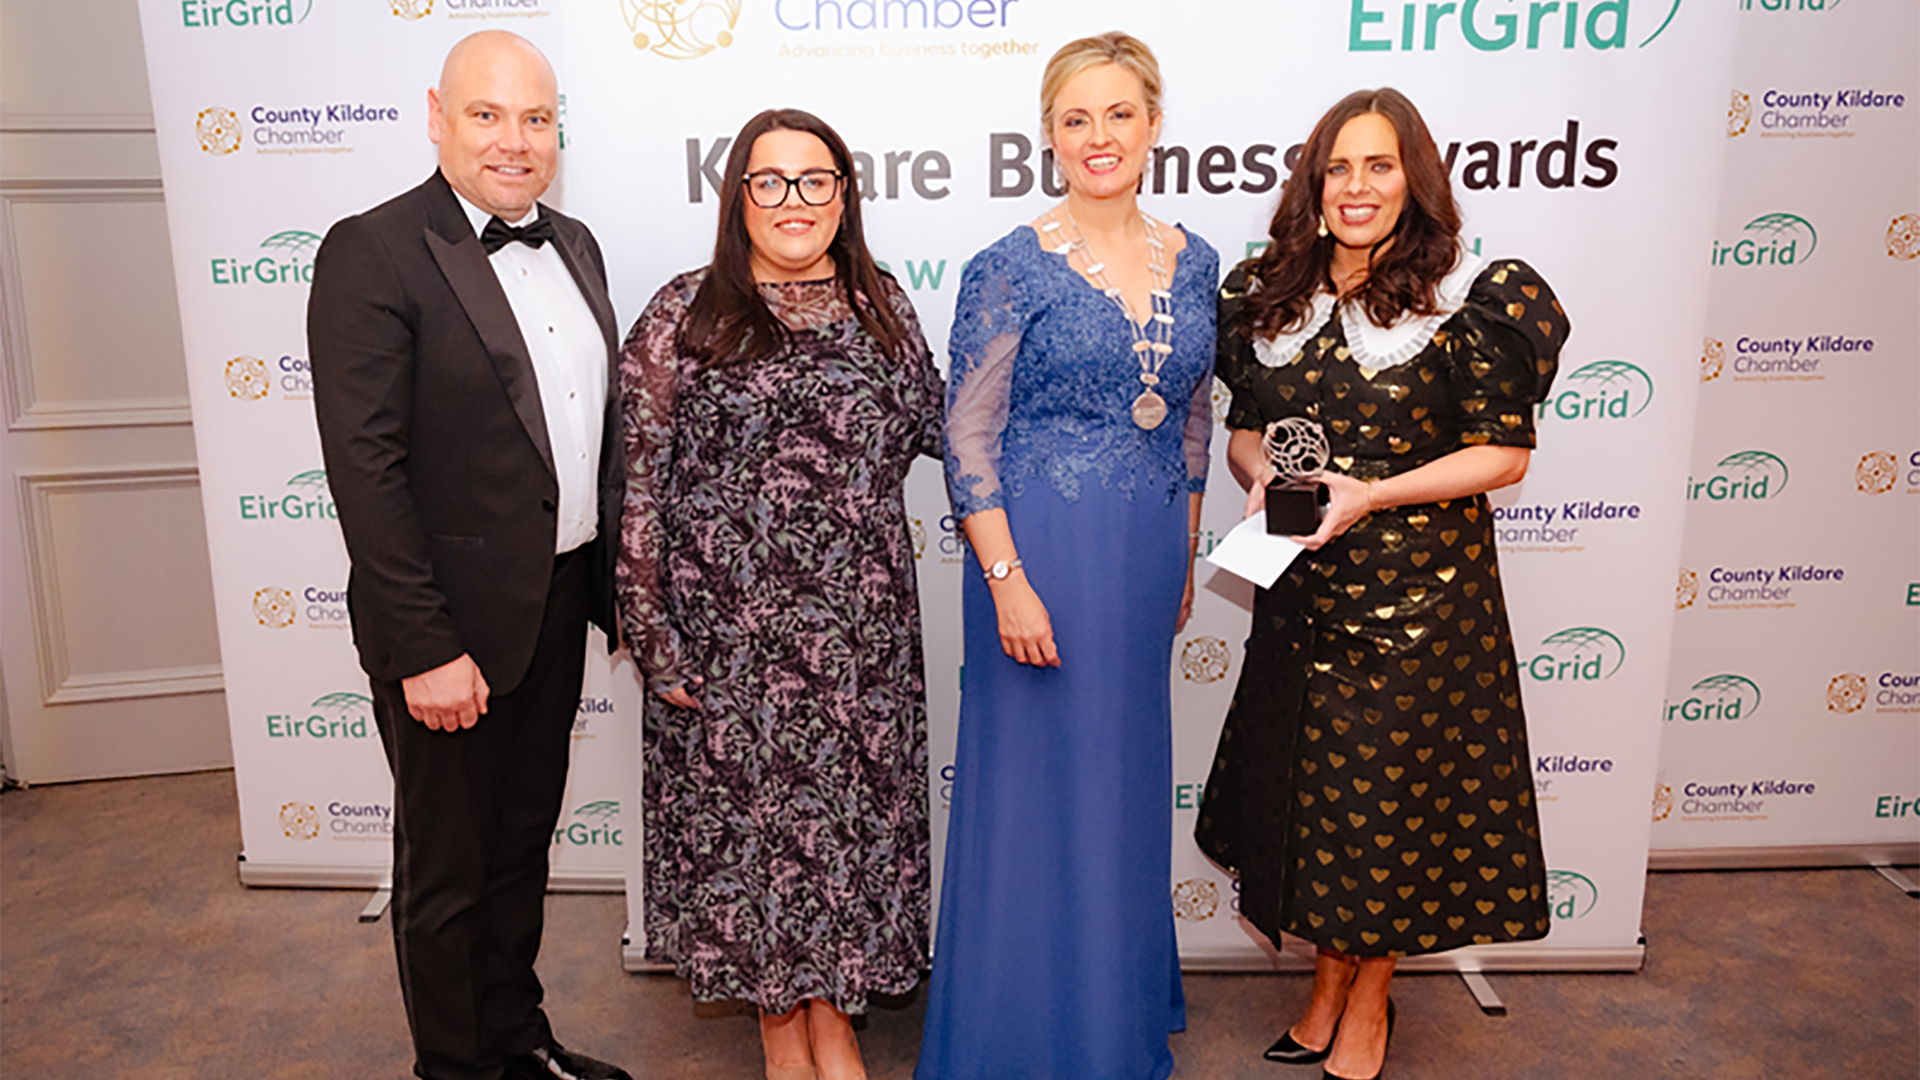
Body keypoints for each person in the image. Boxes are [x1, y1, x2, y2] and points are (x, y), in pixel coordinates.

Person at [1195, 88, 1567, 1080]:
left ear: (1415, 180)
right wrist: (1261, 476)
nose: (1357, 188)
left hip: (1421, 607)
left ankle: (1370, 998)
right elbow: (1245, 431)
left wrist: (1372, 495)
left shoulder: (1471, 294)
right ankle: (1323, 986)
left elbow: (1503, 456)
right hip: (1300, 599)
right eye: (1339, 168)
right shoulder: (1267, 293)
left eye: (1379, 166)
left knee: (1388, 818)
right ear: (1316, 185)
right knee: (1312, 809)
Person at [307, 30, 630, 1080]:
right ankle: (455, 1067)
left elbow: (588, 436)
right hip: (448, 627)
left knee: (520, 850)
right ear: (438, 114)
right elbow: (367, 471)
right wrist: (423, 646)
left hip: (556, 600)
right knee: (445, 876)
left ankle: (517, 1041)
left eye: (536, 119)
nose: (514, 140)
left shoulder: (575, 243)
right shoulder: (375, 249)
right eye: (489, 115)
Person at [616, 108, 943, 1080]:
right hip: (731, 647)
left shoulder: (881, 302)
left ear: (845, 196)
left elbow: (941, 426)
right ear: (739, 198)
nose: (794, 201)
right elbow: (638, 486)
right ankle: (780, 1028)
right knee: (756, 852)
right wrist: (652, 635)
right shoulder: (684, 311)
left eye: (816, 181)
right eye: (771, 181)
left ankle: (833, 1018)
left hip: (859, 645)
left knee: (845, 843)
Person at [916, 32, 1217, 1080]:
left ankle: (1115, 1006)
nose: (1100, 137)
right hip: (1035, 557)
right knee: (1038, 788)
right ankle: (1020, 1030)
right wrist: (1006, 581)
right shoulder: (1009, 265)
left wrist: (1182, 561)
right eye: (1077, 119)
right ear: (1049, 135)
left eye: (1119, 114)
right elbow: (967, 436)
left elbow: (1189, 428)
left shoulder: (1199, 261)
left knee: (1124, 782)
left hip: (1141, 565)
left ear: (1154, 123)